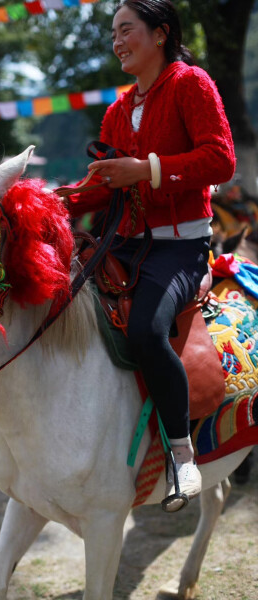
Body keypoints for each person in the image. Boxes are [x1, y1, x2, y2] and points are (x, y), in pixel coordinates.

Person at [65, 0, 235, 512]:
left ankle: (182, 453)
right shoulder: (118, 109)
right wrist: (49, 200)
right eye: (113, 32)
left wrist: (147, 170)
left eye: (126, 30)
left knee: (144, 331)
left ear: (160, 34)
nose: (117, 41)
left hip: (181, 248)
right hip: (124, 243)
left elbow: (221, 158)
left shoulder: (191, 84)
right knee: (63, 304)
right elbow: (104, 189)